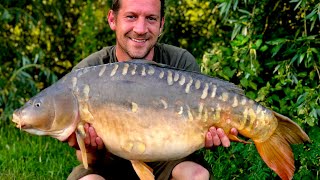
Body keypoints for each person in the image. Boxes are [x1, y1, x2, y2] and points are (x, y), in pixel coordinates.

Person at [66, 0, 238, 179]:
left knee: (195, 175)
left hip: (166, 159)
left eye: (151, 18)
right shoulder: (86, 74)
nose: (140, 29)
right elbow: (88, 160)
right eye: (131, 17)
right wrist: (92, 149)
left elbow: (193, 141)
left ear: (161, 24)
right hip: (108, 164)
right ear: (112, 19)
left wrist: (209, 134)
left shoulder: (180, 62)